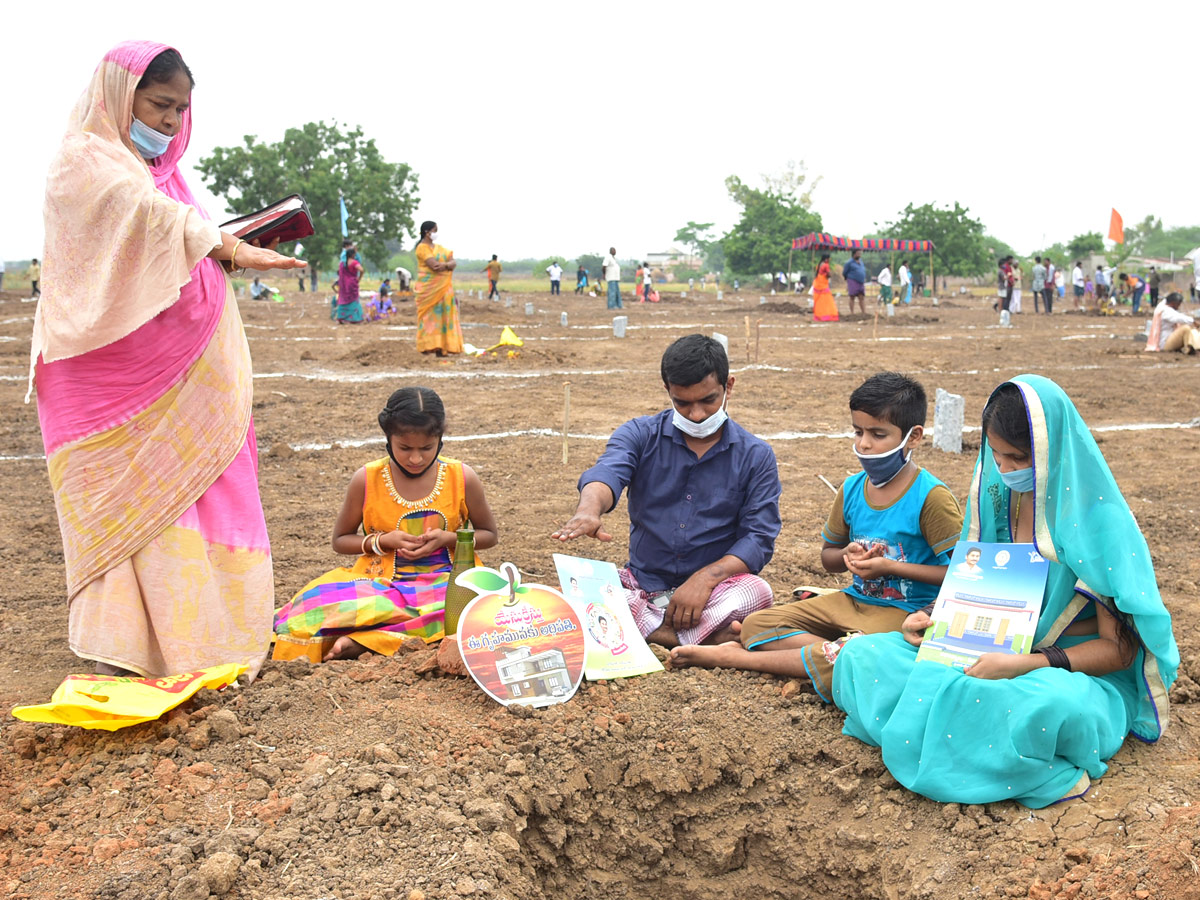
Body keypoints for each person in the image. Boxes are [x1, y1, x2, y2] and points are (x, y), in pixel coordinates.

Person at [31, 41, 305, 678]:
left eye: (181, 111)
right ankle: (139, 650)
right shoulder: (83, 161)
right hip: (113, 382)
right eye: (159, 106)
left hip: (190, 379)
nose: (170, 123)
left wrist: (221, 244)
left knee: (212, 492)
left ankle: (216, 644)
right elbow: (143, 217)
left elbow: (168, 226)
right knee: (137, 508)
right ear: (119, 95)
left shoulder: (167, 178)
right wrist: (222, 244)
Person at [833, 375, 1179, 808]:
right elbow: (977, 583)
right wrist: (935, 618)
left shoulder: (1098, 522)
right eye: (995, 455)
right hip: (989, 646)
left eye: (1018, 458)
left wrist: (1023, 664)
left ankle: (986, 743)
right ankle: (973, 737)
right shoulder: (996, 498)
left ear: (1054, 451)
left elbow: (1120, 651)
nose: (1005, 469)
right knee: (864, 657)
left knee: (1039, 708)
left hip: (1070, 671)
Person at [670, 372, 962, 699]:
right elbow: (829, 558)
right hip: (853, 602)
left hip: (907, 613)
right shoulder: (852, 489)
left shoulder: (931, 497)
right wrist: (848, 555)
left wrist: (890, 568)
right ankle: (836, 654)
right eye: (858, 431)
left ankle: (740, 658)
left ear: (913, 437)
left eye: (878, 434)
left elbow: (960, 574)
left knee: (871, 653)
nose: (864, 444)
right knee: (756, 625)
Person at [552, 334, 781, 648]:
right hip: (643, 584)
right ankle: (700, 638)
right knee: (579, 585)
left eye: (708, 400)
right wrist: (588, 510)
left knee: (757, 592)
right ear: (668, 391)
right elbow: (607, 473)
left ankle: (645, 633)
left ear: (729, 386)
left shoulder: (756, 455)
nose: (696, 414)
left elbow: (759, 537)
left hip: (715, 592)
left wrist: (706, 579)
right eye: (683, 403)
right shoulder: (640, 434)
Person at [272, 387, 498, 661]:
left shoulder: (462, 477)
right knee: (315, 605)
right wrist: (383, 541)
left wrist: (448, 539)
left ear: (440, 440)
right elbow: (341, 540)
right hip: (381, 583)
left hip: (447, 581)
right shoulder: (366, 479)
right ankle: (373, 641)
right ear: (387, 439)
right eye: (405, 448)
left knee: (473, 606)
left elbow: (489, 535)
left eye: (427, 448)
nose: (416, 458)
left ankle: (364, 642)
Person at [414, 220, 463, 356]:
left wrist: (447, 265)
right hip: (428, 288)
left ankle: (443, 347)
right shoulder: (422, 248)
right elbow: (434, 266)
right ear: (427, 232)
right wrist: (447, 265)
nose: (436, 233)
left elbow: (452, 261)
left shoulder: (440, 249)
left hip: (444, 288)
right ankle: (427, 346)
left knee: (443, 315)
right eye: (435, 230)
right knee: (429, 317)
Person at [335, 249, 364, 323]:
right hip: (352, 284)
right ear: (353, 254)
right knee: (354, 300)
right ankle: (354, 318)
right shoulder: (354, 263)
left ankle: (342, 317)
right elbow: (361, 270)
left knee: (343, 300)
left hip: (344, 285)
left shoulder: (342, 264)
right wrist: (359, 278)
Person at [812, 253, 838, 321]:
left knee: (819, 301)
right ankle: (827, 315)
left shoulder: (818, 265)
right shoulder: (826, 265)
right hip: (823, 284)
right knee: (827, 300)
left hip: (817, 283)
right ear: (826, 259)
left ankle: (819, 315)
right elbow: (829, 274)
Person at [843, 249, 867, 315]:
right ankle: (852, 313)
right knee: (852, 296)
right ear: (854, 254)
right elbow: (844, 272)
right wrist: (848, 279)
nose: (859, 254)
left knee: (861, 297)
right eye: (858, 253)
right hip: (852, 281)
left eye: (860, 253)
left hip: (861, 282)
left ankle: (863, 312)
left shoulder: (861, 262)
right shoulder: (849, 263)